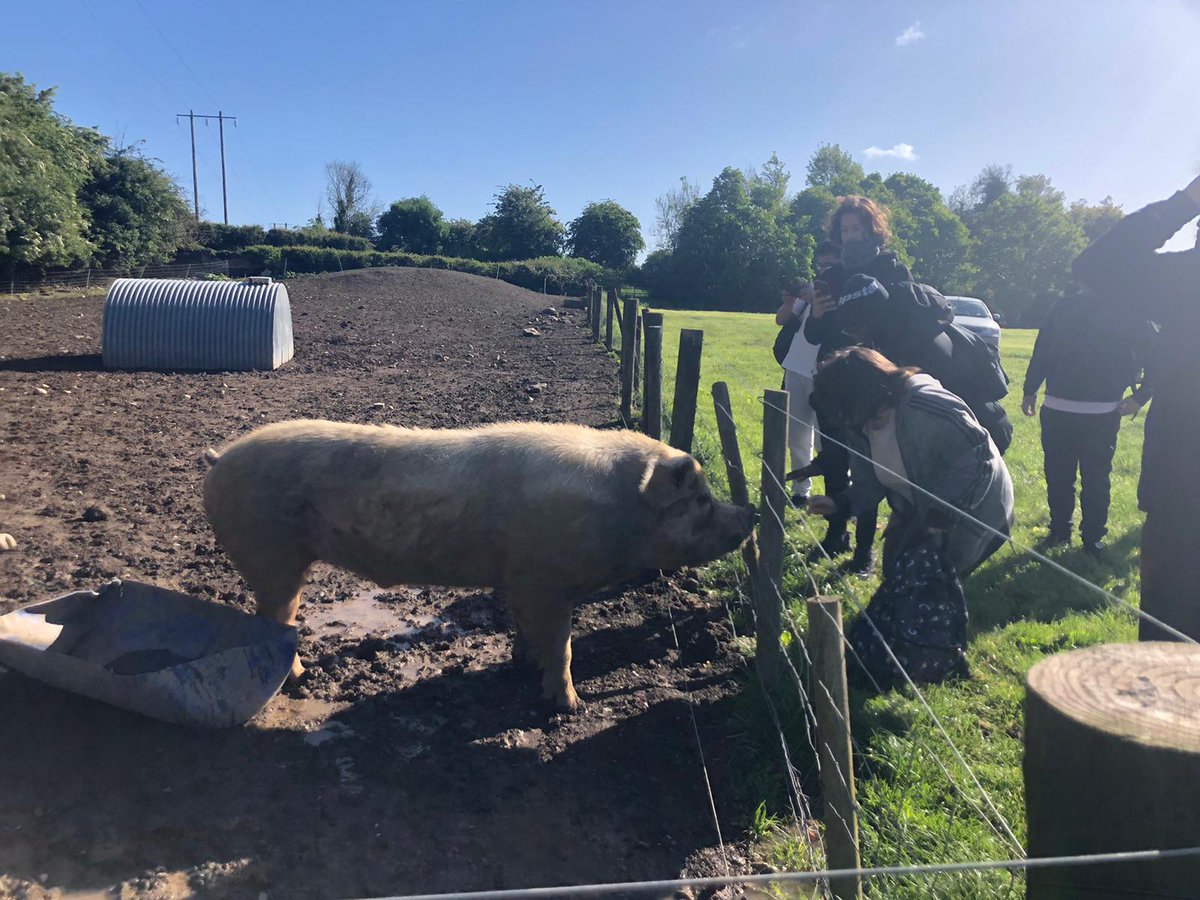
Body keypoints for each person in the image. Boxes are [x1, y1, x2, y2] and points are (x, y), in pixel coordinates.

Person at [1071, 173, 1200, 641]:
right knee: (1172, 653)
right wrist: (1184, 203)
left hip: (1180, 487)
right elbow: (1097, 266)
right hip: (1182, 493)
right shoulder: (1189, 279)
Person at [805, 347, 1014, 578]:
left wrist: (942, 513)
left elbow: (980, 458)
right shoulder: (860, 422)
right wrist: (840, 504)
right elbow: (871, 480)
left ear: (861, 395)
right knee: (897, 580)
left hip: (974, 512)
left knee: (930, 588)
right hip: (919, 510)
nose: (842, 418)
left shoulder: (927, 406)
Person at [799, 197, 914, 572]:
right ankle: (836, 535)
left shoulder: (892, 270)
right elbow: (816, 334)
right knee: (833, 460)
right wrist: (815, 315)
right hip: (834, 381)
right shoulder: (830, 277)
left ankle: (864, 552)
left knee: (872, 465)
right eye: (844, 230)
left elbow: (903, 325)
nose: (851, 236)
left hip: (874, 383)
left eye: (857, 228)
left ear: (872, 228)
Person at [1021, 283, 1155, 557]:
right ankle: (1059, 531)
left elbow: (1158, 357)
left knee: (1095, 479)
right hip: (1058, 408)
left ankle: (1093, 537)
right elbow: (1043, 349)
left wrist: (1141, 397)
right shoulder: (1063, 307)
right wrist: (1029, 388)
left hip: (1103, 412)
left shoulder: (1128, 311)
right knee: (1058, 476)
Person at [773, 240, 841, 503]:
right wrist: (793, 301)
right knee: (796, 434)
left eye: (830, 264)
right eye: (821, 265)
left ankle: (837, 492)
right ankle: (801, 491)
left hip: (825, 374)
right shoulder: (812, 289)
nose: (824, 270)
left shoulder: (843, 292)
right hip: (796, 367)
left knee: (828, 438)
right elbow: (781, 319)